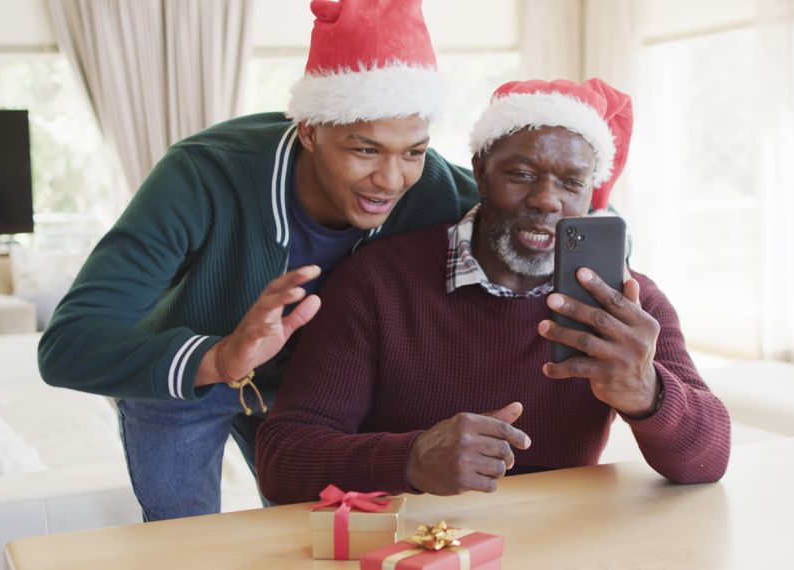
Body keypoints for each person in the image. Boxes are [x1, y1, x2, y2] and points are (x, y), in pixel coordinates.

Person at [38, 0, 477, 521]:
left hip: (308, 395)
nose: (390, 179)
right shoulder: (201, 174)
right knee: (185, 545)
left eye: (412, 151)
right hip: (186, 380)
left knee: (321, 538)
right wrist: (222, 357)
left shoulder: (436, 192)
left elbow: (527, 228)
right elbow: (67, 345)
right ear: (310, 130)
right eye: (364, 150)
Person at [255, 78, 731, 505]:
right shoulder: (377, 282)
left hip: (561, 543)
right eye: (522, 175)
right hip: (408, 544)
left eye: (571, 183)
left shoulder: (627, 304)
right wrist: (411, 459)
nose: (547, 200)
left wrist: (647, 392)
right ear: (480, 170)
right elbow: (283, 458)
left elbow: (709, 461)